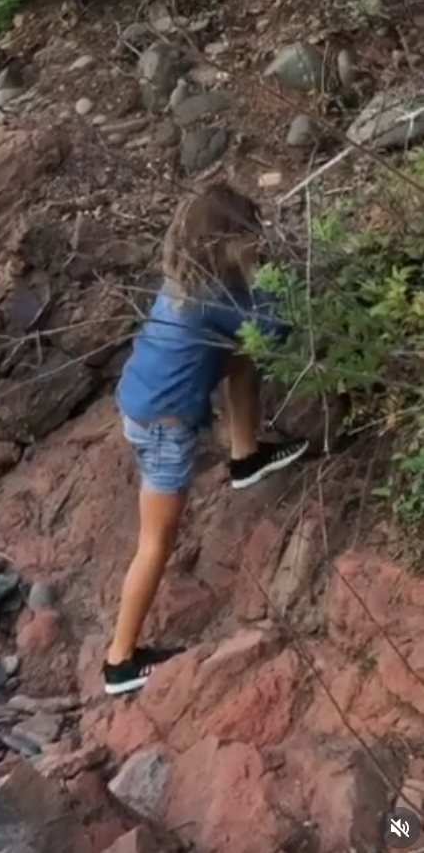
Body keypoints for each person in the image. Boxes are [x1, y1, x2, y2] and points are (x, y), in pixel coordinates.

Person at [103, 182, 309, 696]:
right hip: (162, 427)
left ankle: (244, 457)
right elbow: (277, 326)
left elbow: (249, 333)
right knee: (157, 542)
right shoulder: (215, 298)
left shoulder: (186, 278)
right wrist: (284, 276)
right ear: (225, 243)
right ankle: (120, 661)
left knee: (242, 352)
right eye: (248, 238)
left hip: (141, 400)